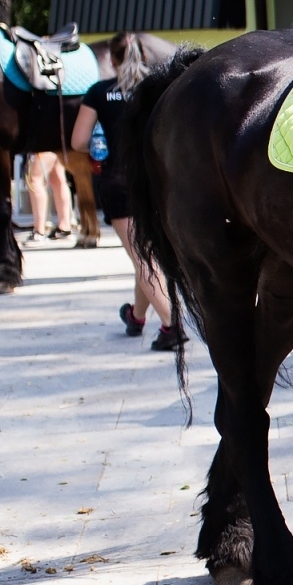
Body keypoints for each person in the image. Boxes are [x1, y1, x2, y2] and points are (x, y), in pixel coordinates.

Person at [71, 33, 185, 352]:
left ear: (112, 59)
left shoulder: (99, 92)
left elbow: (78, 142)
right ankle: (136, 317)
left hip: (120, 183)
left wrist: (101, 141)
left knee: (142, 258)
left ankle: (172, 325)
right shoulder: (159, 89)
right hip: (160, 181)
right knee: (146, 253)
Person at [23, 150, 74, 242]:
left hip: (42, 143)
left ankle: (39, 231)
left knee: (34, 180)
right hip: (58, 143)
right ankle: (64, 227)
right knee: (58, 180)